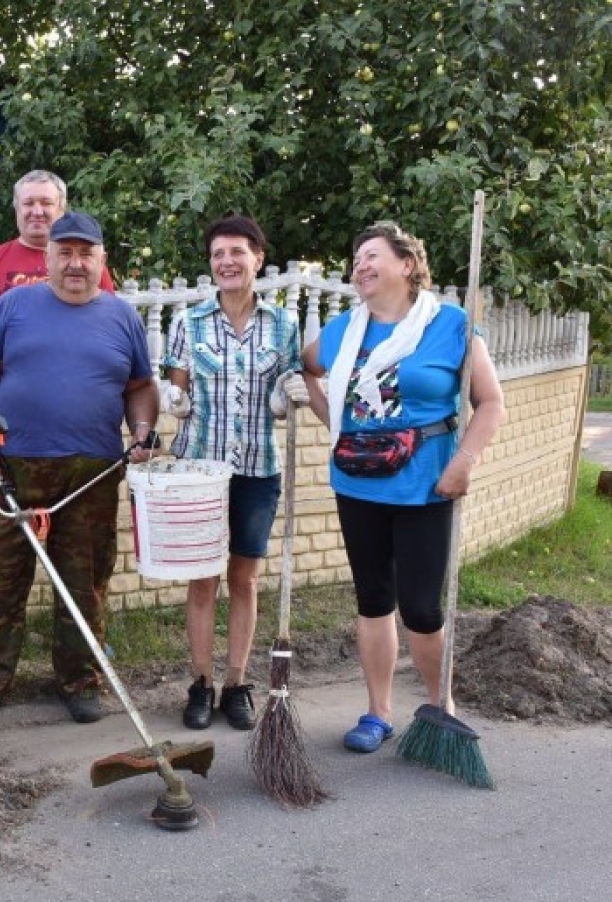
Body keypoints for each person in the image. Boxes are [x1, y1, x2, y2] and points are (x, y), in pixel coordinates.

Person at [301, 221, 505, 753]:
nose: (360, 266)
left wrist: (464, 462)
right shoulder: (342, 331)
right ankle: (378, 713)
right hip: (358, 483)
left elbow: (490, 403)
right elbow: (307, 369)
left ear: (407, 264)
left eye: (372, 255)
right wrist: (333, 422)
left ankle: (441, 709)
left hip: (426, 486)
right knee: (373, 601)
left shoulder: (451, 325)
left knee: (421, 607)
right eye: (356, 259)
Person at [0, 211, 157, 724]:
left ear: (101, 260)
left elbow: (140, 387)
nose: (75, 263)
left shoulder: (123, 317)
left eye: (85, 254)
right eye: (64, 252)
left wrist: (142, 431)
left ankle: (80, 679)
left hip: (92, 474)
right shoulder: (13, 306)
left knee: (84, 581)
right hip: (10, 468)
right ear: (47, 258)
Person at [162, 215, 307, 732]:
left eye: (237, 252)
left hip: (257, 470)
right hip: (200, 469)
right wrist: (174, 400)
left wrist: (288, 396)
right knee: (203, 579)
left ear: (257, 259)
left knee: (244, 579)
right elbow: (177, 388)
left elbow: (289, 383)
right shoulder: (189, 322)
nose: (227, 262)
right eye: (218, 254)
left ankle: (236, 683)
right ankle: (201, 684)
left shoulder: (283, 324)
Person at [0, 170, 117, 521]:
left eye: (46, 203)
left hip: (72, 435)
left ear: (61, 208)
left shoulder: (89, 266)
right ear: (16, 208)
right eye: (28, 203)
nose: (37, 211)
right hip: (1, 427)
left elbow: (107, 329)